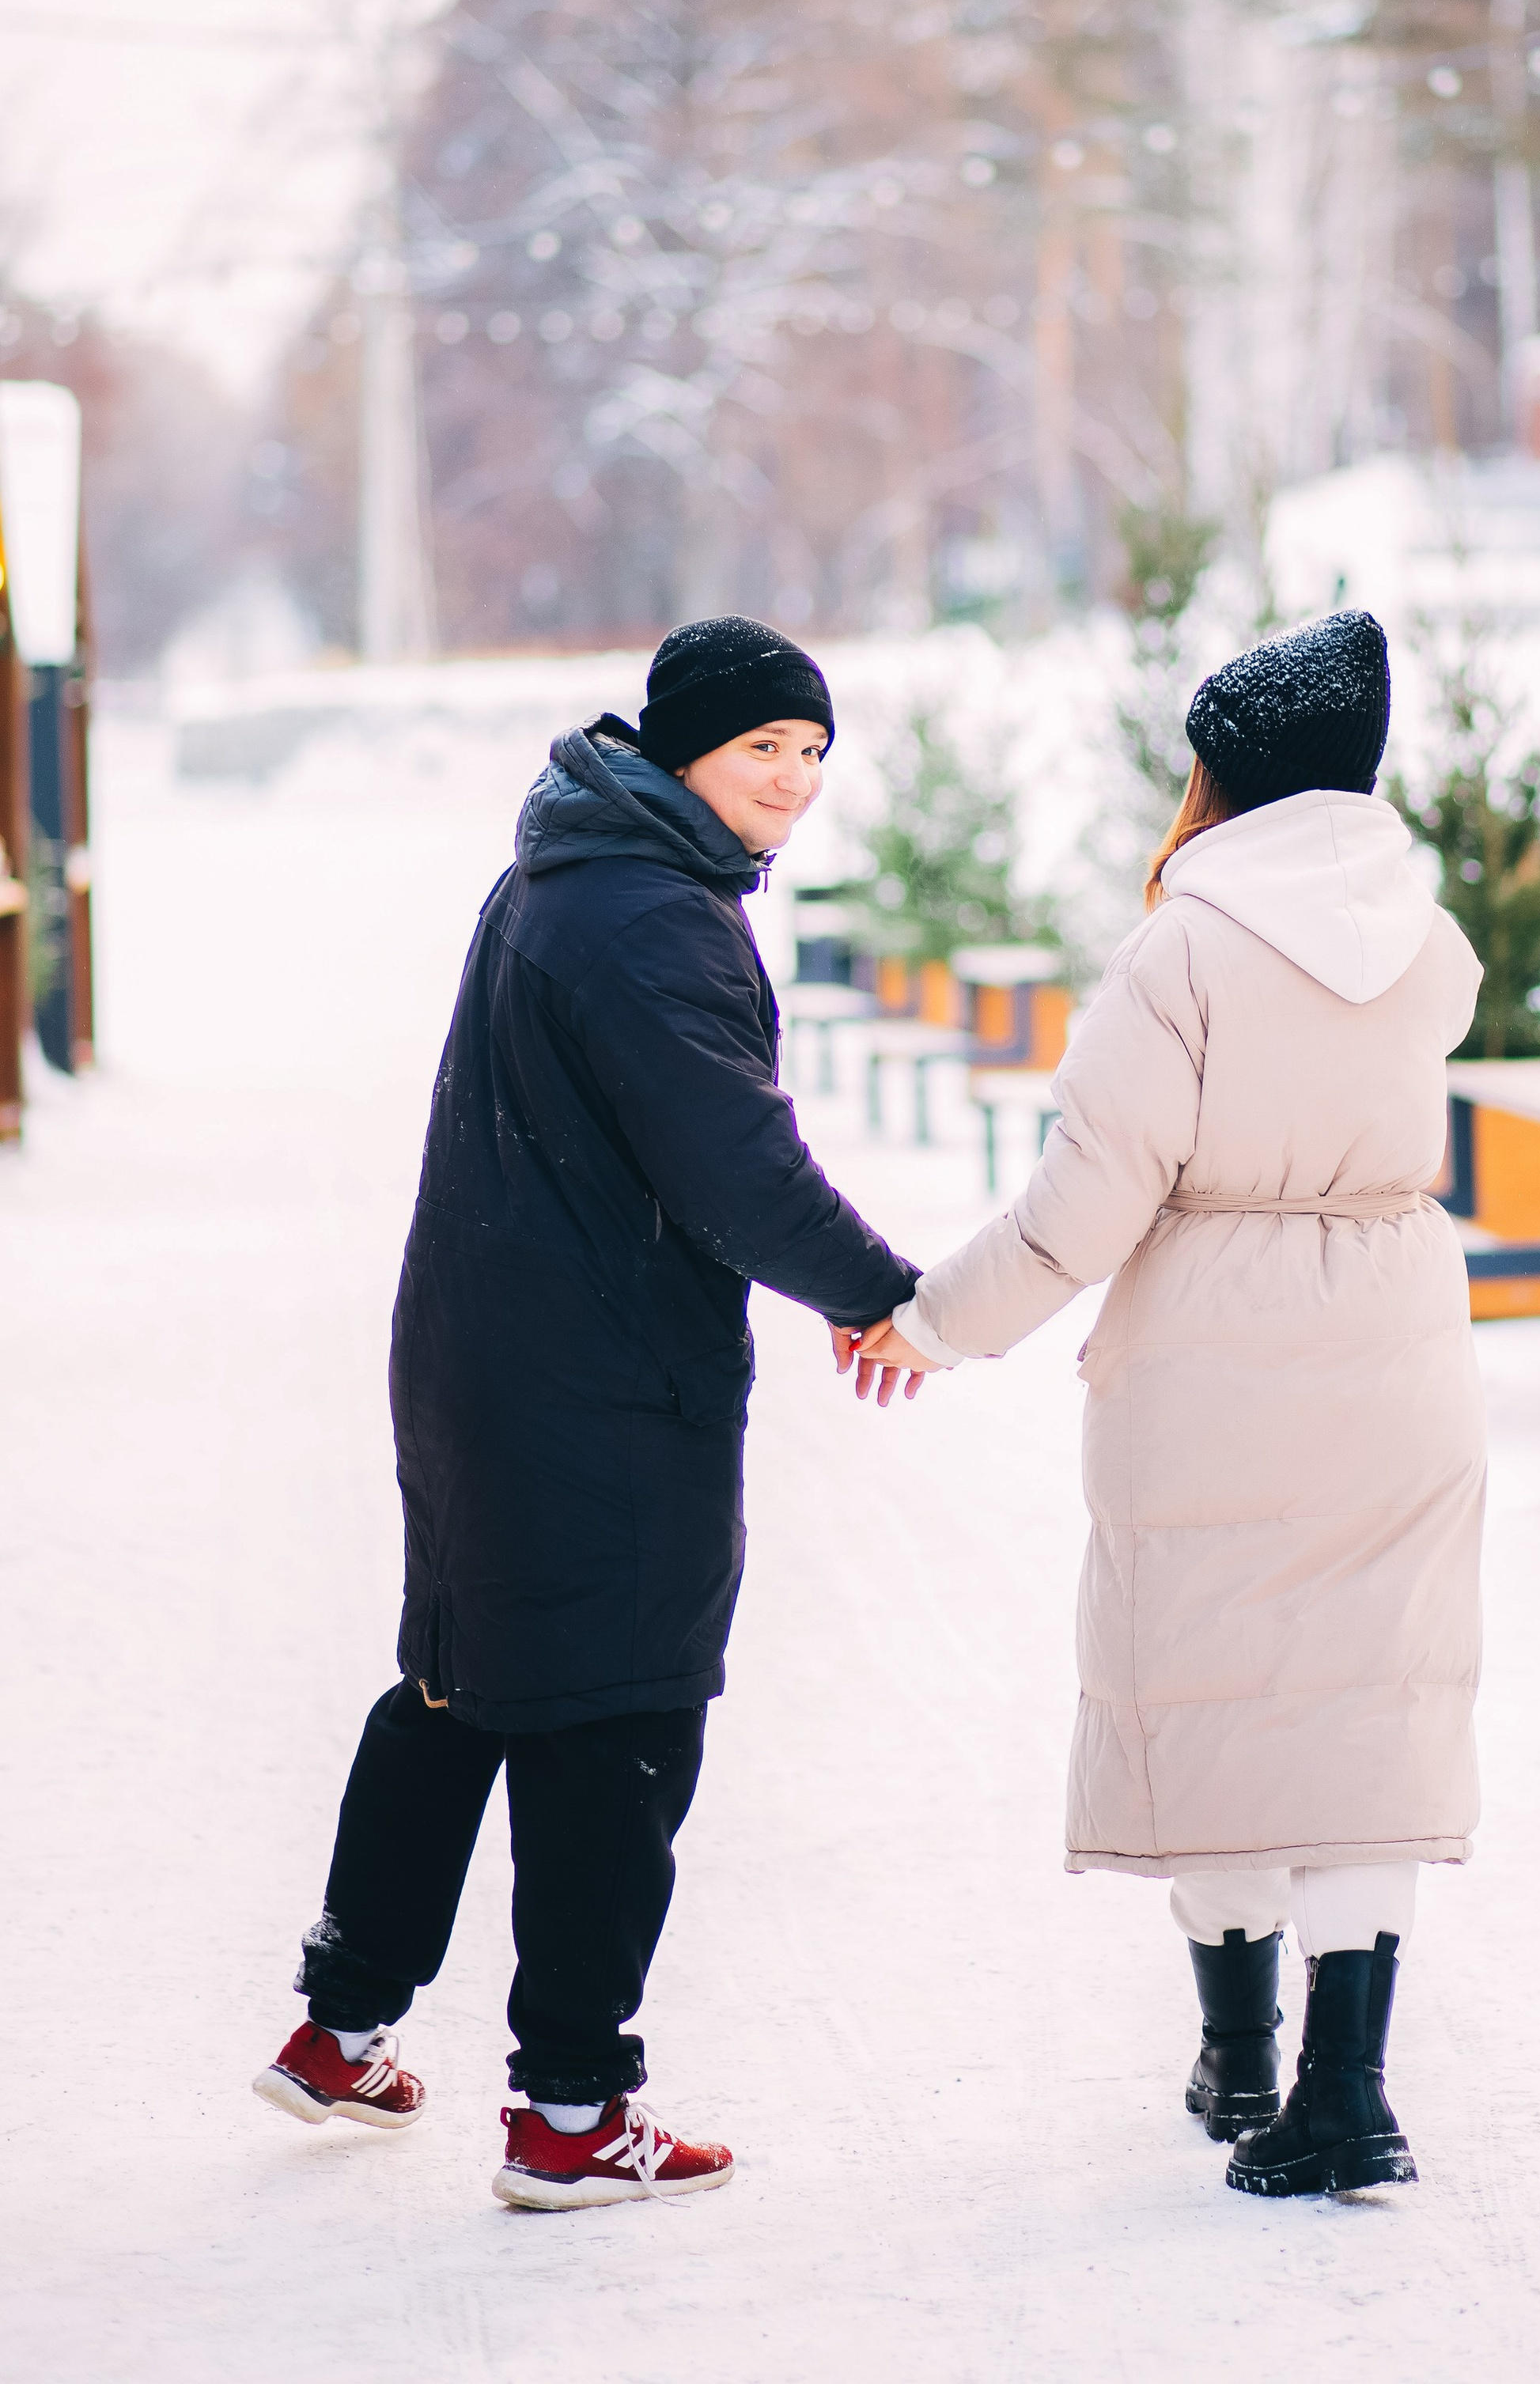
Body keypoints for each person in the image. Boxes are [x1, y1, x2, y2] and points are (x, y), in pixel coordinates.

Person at [252, 618, 921, 2212]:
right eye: (762, 747)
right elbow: (731, 1161)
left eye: (813, 753)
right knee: (617, 1715)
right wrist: (878, 1290)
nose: (792, 781)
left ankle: (340, 2026)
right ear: (682, 748)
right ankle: (569, 2111)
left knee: (467, 1683)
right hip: (594, 1378)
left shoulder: (572, 869)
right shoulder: (647, 916)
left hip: (488, 1353)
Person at [849, 609, 1485, 2199]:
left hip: (1213, 1349)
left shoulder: (1182, 945)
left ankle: (1237, 2051)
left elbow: (1085, 1205)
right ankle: (1346, 2090)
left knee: (1210, 1692)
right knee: (1366, 1700)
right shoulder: (1428, 931)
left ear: (1227, 774)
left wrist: (931, 1323)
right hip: (1399, 1334)